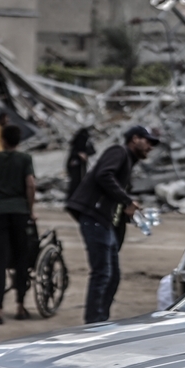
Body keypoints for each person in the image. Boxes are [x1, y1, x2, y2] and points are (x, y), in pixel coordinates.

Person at [66, 125, 158, 323]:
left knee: (112, 276)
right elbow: (103, 175)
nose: (150, 147)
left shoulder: (128, 161)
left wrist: (127, 211)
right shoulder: (118, 152)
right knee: (102, 274)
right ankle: (93, 323)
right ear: (134, 139)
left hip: (106, 222)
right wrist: (126, 201)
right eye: (148, 141)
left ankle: (100, 319)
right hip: (95, 218)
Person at [0, 125, 35, 324]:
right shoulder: (25, 159)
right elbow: (30, 185)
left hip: (0, 213)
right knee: (21, 259)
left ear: (2, 139)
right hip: (20, 212)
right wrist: (30, 210)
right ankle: (20, 306)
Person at [65, 127, 97, 199]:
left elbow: (92, 151)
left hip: (82, 166)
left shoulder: (87, 142)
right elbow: (72, 154)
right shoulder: (77, 143)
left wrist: (85, 154)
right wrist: (78, 154)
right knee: (75, 182)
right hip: (75, 165)